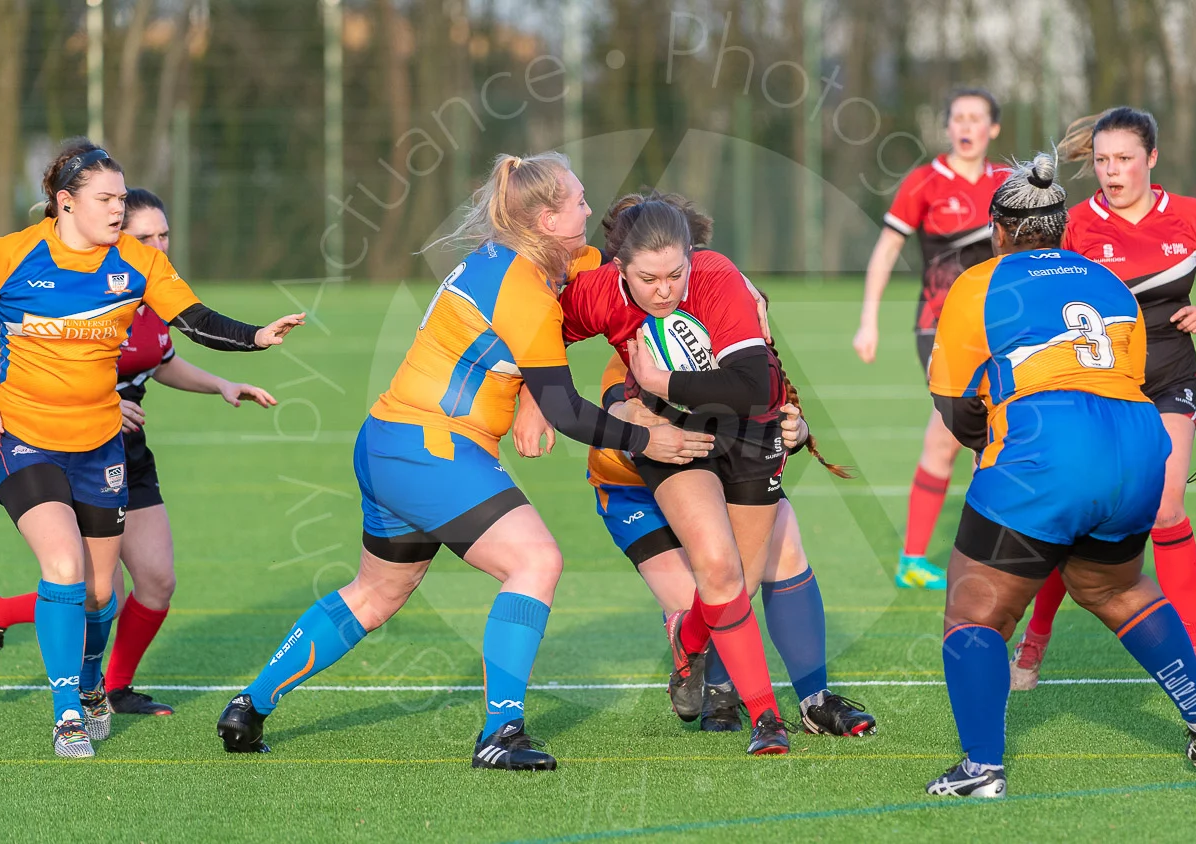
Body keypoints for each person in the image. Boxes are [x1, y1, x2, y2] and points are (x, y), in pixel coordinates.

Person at [215, 152, 711, 771]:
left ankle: (248, 705)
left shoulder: (524, 260)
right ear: (547, 216)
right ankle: (500, 733)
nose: (590, 210)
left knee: (374, 595)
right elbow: (569, 410)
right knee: (536, 560)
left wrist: (530, 395)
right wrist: (646, 440)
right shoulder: (523, 289)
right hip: (433, 448)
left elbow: (598, 280)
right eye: (579, 201)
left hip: (388, 441)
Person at [0, 138, 303, 758]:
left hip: (100, 440)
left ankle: (89, 683)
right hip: (20, 435)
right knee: (63, 567)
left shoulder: (135, 261)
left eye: (120, 197)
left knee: (100, 594)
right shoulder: (5, 256)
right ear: (65, 203)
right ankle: (68, 713)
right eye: (105, 198)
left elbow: (191, 318)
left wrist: (256, 337)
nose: (117, 209)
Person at [922, 152, 1196, 799]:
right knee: (1115, 587)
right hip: (1137, 447)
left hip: (1048, 448)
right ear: (1064, 229)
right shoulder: (1107, 283)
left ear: (998, 229)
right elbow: (1128, 377)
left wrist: (1005, 459)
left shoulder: (979, 283)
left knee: (974, 606)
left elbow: (955, 406)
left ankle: (982, 768)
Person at [1008, 107, 1196, 691]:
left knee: (1166, 509)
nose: (1112, 173)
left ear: (1151, 159)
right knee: (1081, 520)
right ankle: (1032, 648)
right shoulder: (1078, 224)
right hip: (1095, 386)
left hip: (1168, 377)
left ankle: (1194, 647)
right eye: (1103, 161)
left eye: (1125, 160)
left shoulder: (1190, 216)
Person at [559, 198, 798, 754]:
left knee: (739, 583)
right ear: (619, 269)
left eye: (675, 274)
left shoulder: (717, 276)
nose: (664, 290)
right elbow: (535, 335)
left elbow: (754, 388)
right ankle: (768, 719)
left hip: (748, 430)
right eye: (648, 278)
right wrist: (530, 399)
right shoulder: (596, 293)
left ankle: (688, 650)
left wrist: (663, 382)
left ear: (693, 258)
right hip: (670, 436)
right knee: (716, 567)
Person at [853, 87, 1011, 590]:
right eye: (958, 117)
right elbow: (885, 251)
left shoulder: (1009, 184)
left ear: (994, 129)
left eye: (976, 118)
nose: (966, 126)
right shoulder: (923, 182)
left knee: (975, 437)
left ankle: (945, 555)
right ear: (947, 127)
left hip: (1004, 327)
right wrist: (868, 319)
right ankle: (936, 558)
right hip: (940, 328)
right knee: (964, 432)